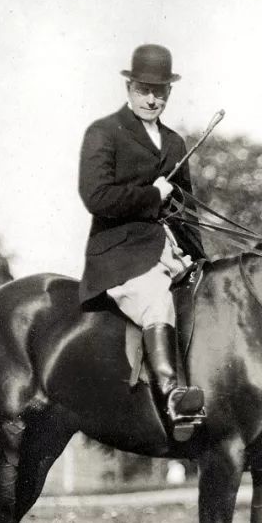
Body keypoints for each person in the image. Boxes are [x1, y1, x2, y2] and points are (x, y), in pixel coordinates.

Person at [77, 44, 208, 440]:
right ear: (130, 87)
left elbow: (185, 210)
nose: (152, 99)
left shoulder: (174, 143)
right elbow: (95, 197)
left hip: (167, 251)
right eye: (144, 90)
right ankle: (172, 398)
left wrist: (200, 256)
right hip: (121, 256)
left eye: (160, 91)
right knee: (156, 298)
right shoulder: (104, 133)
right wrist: (152, 195)